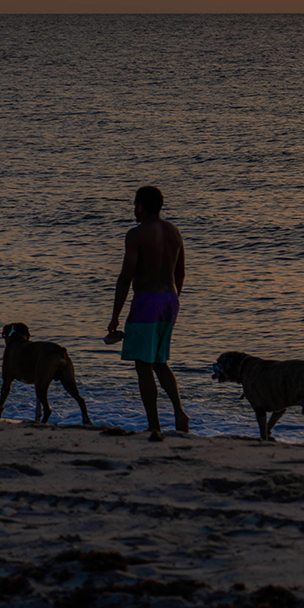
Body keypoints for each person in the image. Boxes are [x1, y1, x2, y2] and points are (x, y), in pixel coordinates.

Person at [106, 184, 190, 439]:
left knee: (143, 366)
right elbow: (181, 272)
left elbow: (126, 277)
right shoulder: (174, 231)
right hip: (170, 300)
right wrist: (174, 298)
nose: (134, 209)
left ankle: (154, 426)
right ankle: (179, 412)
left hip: (147, 301)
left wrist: (115, 317)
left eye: (135, 205)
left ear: (140, 207)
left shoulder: (136, 234)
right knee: (160, 362)